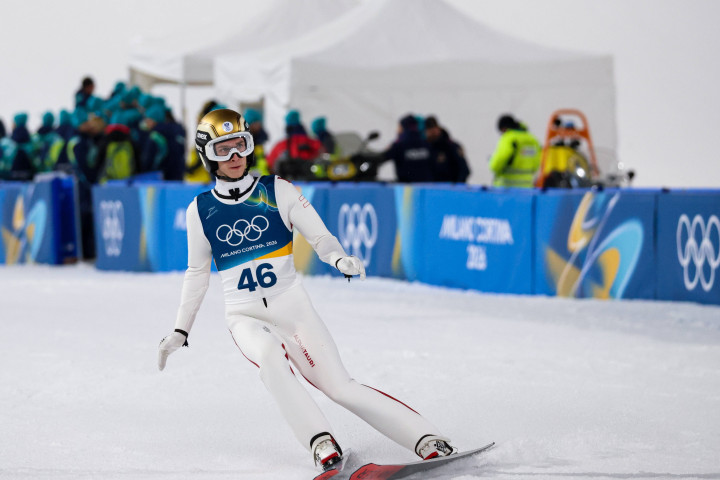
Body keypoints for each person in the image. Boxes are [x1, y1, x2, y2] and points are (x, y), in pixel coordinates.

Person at [157, 108, 457, 471]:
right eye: (224, 149)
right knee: (269, 356)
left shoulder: (277, 190)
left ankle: (427, 438)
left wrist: (339, 258)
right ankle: (320, 442)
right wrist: (181, 329)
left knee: (339, 386)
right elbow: (196, 273)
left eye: (241, 145)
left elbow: (320, 237)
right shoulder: (200, 210)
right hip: (244, 315)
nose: (235, 156)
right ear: (208, 156)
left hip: (292, 307)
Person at [488, 114, 541, 188]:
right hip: (527, 188)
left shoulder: (509, 138)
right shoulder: (533, 140)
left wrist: (491, 161)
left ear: (504, 128)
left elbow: (497, 163)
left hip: (507, 188)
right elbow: (536, 165)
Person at [384, 114, 434, 183]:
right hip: (427, 185)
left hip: (406, 187)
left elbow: (383, 157)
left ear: (403, 127)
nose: (397, 130)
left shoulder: (399, 145)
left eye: (399, 127)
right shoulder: (427, 144)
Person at [424, 116, 470, 183]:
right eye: (429, 131)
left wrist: (456, 186)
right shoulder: (424, 148)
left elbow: (464, 170)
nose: (432, 133)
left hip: (449, 187)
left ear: (438, 129)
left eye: (433, 130)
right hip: (429, 187)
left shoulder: (451, 147)